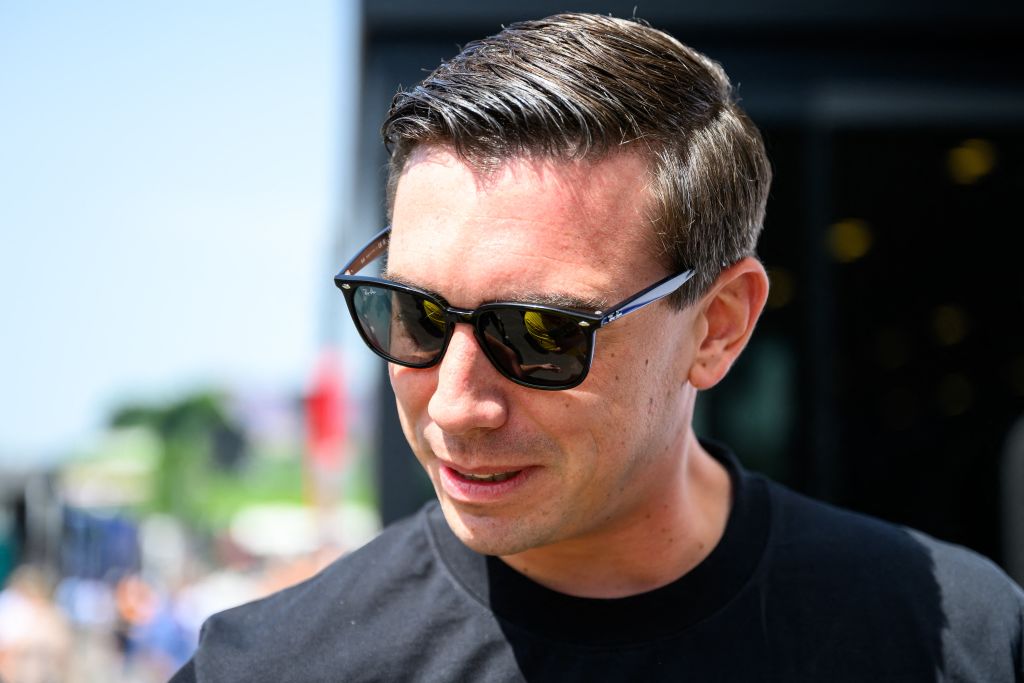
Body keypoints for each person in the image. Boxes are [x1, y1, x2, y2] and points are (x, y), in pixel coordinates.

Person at [173, 13, 1024, 681]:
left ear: (719, 325)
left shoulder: (961, 639)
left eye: (541, 334)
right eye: (416, 316)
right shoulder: (268, 666)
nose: (457, 402)